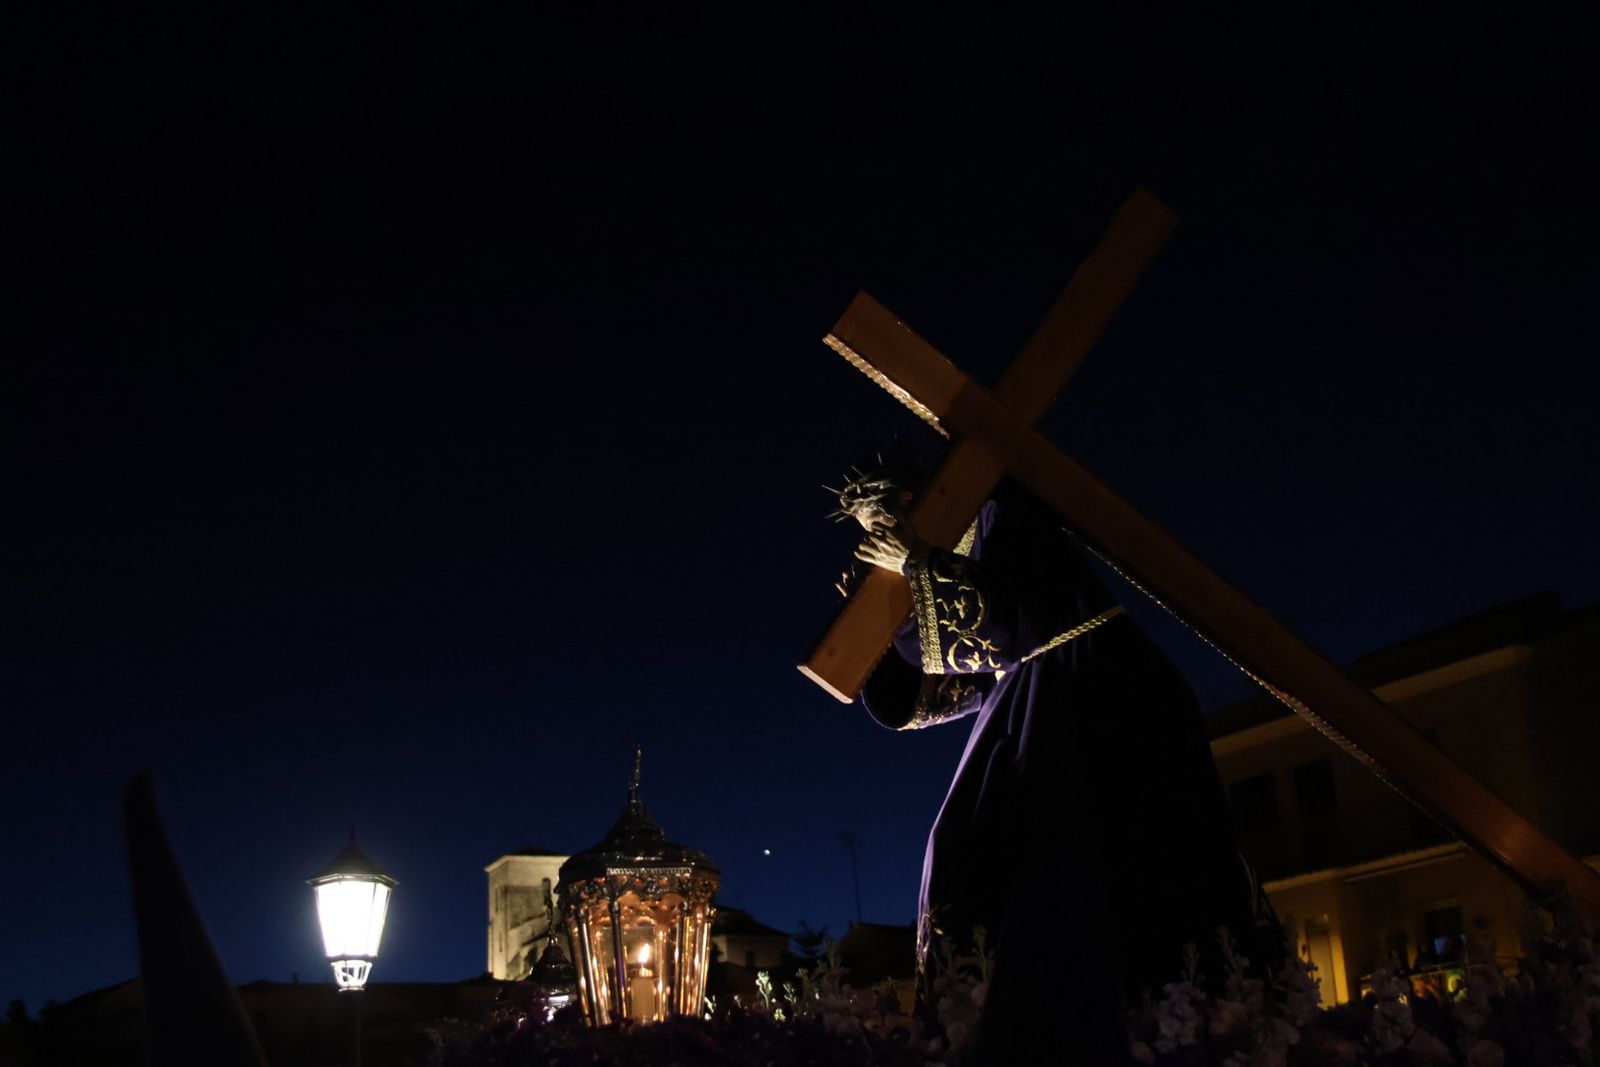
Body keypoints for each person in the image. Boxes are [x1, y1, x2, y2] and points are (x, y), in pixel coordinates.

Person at [837, 460, 1278, 1063]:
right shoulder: (950, 553)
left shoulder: (1001, 515)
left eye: (879, 525)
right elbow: (961, 684)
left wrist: (917, 566)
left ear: (915, 500)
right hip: (1035, 697)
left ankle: (1165, 1025)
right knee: (968, 847)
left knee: (1086, 854)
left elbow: (1007, 624)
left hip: (1101, 695)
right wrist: (883, 630)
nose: (875, 545)